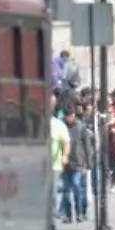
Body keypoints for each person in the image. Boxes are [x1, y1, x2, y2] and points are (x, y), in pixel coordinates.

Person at [61, 108, 94, 224]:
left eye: (70, 115)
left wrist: (89, 162)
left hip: (78, 162)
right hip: (65, 163)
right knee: (65, 191)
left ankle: (79, 212)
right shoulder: (62, 126)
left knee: (76, 187)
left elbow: (87, 145)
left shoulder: (81, 127)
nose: (68, 118)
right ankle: (68, 215)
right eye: (66, 116)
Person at [49, 93, 70, 221]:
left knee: (53, 192)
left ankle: (52, 213)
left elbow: (67, 142)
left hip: (55, 165)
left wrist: (65, 156)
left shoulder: (58, 125)